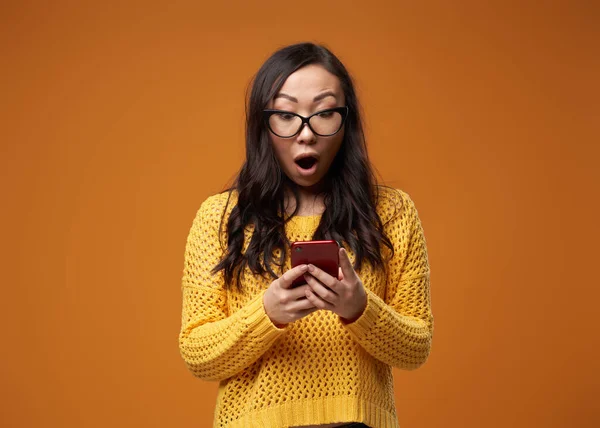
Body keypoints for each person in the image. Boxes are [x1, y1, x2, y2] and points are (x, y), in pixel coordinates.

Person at [178, 42, 434, 428]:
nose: (306, 134)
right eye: (286, 114)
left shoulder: (392, 212)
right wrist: (268, 313)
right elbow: (198, 353)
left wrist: (360, 309)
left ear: (346, 121)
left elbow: (416, 348)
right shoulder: (220, 216)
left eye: (324, 113)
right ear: (263, 124)